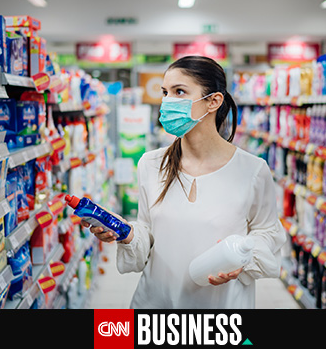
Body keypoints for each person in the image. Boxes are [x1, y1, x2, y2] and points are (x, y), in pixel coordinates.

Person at [82, 56, 286, 309]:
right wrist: (126, 234)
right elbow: (148, 234)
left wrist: (242, 259)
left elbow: (267, 233)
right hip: (155, 305)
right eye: (165, 92)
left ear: (213, 101)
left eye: (179, 92)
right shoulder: (151, 164)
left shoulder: (252, 170)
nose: (167, 102)